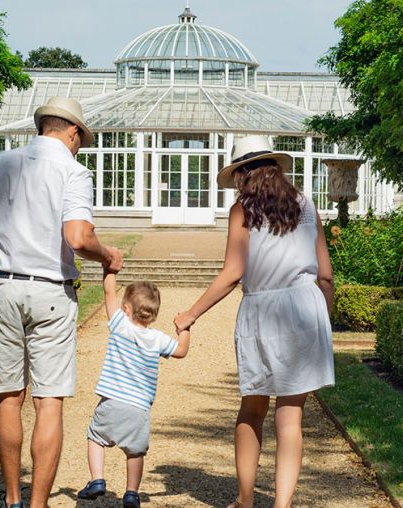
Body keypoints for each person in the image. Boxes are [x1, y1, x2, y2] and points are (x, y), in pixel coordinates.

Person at [0, 96, 124, 508]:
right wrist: (108, 255)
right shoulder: (73, 171)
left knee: (9, 396)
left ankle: (14, 498)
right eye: (80, 139)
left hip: (4, 288)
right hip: (50, 291)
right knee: (48, 400)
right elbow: (78, 238)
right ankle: (39, 505)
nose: (79, 146)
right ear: (72, 132)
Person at [173, 136, 335, 508]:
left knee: (252, 407)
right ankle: (281, 504)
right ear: (275, 168)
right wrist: (323, 319)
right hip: (306, 306)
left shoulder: (242, 210)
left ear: (242, 175)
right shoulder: (307, 206)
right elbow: (325, 275)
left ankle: (245, 499)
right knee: (291, 416)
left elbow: (233, 273)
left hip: (264, 310)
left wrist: (190, 315)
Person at [76, 273, 191, 508]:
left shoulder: (120, 326)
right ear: (153, 314)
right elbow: (181, 351)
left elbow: (109, 292)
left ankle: (97, 479)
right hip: (138, 409)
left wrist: (110, 270)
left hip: (111, 401)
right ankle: (131, 493)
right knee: (135, 452)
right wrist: (185, 328)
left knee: (96, 438)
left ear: (126, 309)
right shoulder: (157, 338)